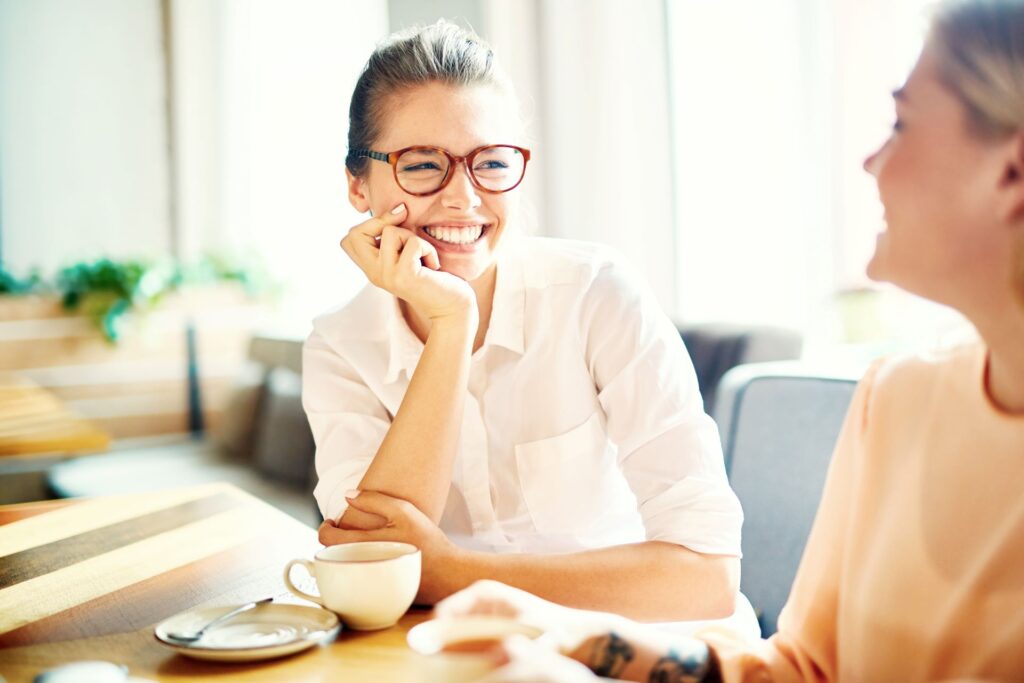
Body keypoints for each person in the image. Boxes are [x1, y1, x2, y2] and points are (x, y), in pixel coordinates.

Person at [432, 0, 1024, 680]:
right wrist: (572, 632)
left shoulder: (596, 290)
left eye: (901, 122)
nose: (869, 162)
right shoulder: (896, 398)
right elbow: (799, 666)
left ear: (1011, 169)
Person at [303, 20, 757, 630]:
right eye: (421, 165)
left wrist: (458, 573)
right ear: (359, 184)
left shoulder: (596, 294)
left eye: (490, 162)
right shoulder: (339, 345)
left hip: (643, 644)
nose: (464, 198)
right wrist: (452, 323)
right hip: (478, 656)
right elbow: (376, 561)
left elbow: (706, 577)